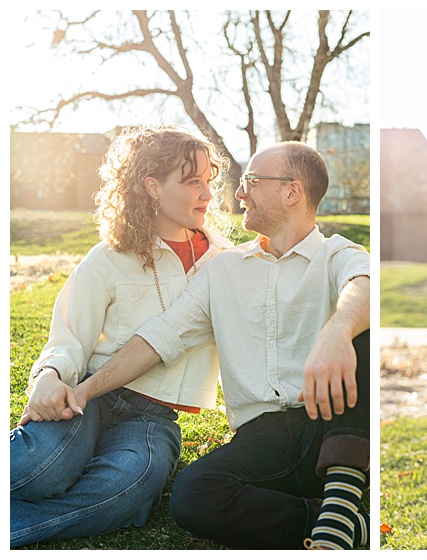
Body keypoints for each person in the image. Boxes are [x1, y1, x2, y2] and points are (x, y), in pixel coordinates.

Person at [47, 141, 372, 550]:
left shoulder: (336, 254)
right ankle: (342, 523)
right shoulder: (221, 269)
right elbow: (161, 336)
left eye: (252, 181)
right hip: (262, 436)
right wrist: (83, 390)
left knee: (363, 327)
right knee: (192, 496)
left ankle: (340, 500)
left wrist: (337, 331)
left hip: (330, 421)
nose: (238, 193)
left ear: (292, 192)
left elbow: (366, 285)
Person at [10, 126, 235, 546]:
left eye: (209, 180)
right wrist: (47, 378)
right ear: (152, 186)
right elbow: (68, 336)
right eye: (192, 182)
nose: (207, 193)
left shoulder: (225, 263)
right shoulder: (109, 256)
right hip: (88, 396)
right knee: (38, 467)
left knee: (129, 489)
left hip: (154, 419)